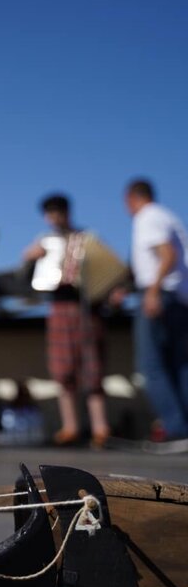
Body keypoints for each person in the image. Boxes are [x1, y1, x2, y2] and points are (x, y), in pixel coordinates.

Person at [23, 194, 110, 447]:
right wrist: (30, 259)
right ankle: (70, 427)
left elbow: (107, 272)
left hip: (86, 308)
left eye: (58, 211)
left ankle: (100, 428)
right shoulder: (44, 241)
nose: (55, 217)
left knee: (92, 369)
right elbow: (27, 280)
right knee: (63, 369)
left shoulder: (88, 238)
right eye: (50, 213)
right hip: (59, 307)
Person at [124, 178, 188, 441]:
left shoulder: (147, 217)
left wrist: (152, 291)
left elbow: (168, 254)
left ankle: (175, 428)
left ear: (131, 198)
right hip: (178, 298)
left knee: (151, 364)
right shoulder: (167, 216)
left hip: (160, 294)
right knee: (179, 364)